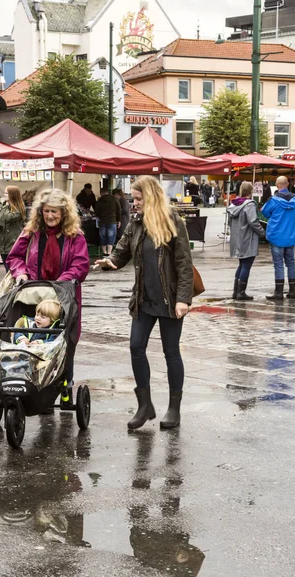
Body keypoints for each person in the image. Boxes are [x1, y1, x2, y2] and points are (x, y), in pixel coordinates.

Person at [94, 175, 193, 430]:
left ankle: (174, 408)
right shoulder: (135, 223)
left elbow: (184, 263)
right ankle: (145, 405)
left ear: (150, 197)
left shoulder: (172, 220)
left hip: (169, 299)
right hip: (144, 297)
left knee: (171, 351)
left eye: (138, 198)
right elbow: (122, 251)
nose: (133, 203)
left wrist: (183, 298)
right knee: (136, 347)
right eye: (133, 198)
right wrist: (110, 262)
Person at [7, 188, 90, 401]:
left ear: (64, 213)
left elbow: (81, 264)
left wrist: (62, 282)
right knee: (35, 339)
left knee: (65, 342)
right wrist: (21, 272)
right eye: (46, 212)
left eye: (54, 211)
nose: (50, 216)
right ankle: (36, 387)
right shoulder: (31, 232)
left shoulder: (75, 236)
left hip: (63, 296)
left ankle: (65, 386)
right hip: (34, 294)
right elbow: (15, 256)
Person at [261, 175, 295, 300]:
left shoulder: (273, 200)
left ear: (277, 184)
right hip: (291, 236)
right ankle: (292, 291)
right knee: (291, 263)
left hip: (276, 236)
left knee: (278, 264)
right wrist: (293, 227)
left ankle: (279, 292)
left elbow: (264, 212)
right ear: (287, 184)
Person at [227, 182, 265, 301]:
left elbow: (230, 222)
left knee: (242, 264)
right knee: (246, 264)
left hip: (237, 238)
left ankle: (236, 291)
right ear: (251, 191)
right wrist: (262, 233)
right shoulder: (249, 205)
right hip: (247, 238)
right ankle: (241, 292)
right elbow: (253, 221)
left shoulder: (233, 205)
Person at [0, 186, 26, 271]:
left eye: (6, 193)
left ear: (13, 195)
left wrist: (5, 206)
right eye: (4, 193)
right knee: (7, 269)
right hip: (3, 242)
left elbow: (9, 217)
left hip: (13, 243)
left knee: (12, 269)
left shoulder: (19, 208)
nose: (4, 195)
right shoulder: (3, 206)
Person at [95, 187, 121, 256]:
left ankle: (104, 252)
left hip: (103, 221)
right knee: (111, 237)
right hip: (112, 221)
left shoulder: (100, 201)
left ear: (101, 193)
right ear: (108, 192)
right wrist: (119, 220)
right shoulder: (114, 199)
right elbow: (119, 210)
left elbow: (96, 211)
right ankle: (109, 252)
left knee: (103, 236)